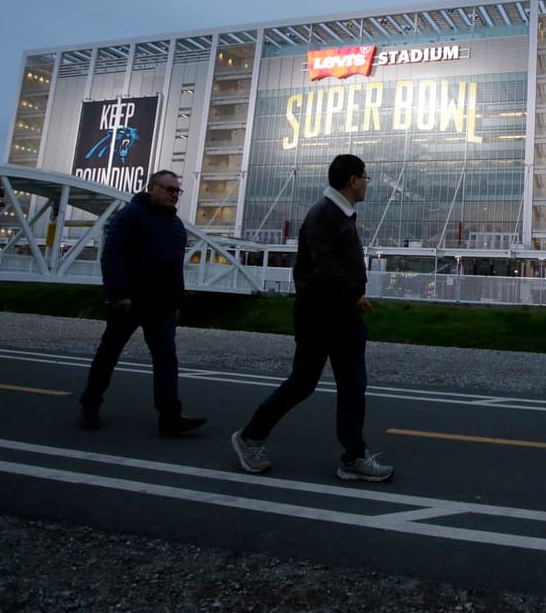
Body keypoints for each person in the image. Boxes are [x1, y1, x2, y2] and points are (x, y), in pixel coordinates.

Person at [231, 154, 394, 482]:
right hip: (320, 317)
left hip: (343, 318)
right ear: (352, 180)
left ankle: (353, 456)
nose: (367, 183)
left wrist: (351, 299)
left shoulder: (340, 213)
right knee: (301, 384)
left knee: (353, 387)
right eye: (366, 177)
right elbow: (323, 265)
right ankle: (250, 437)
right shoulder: (324, 214)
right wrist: (354, 294)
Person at [78, 169, 207, 437]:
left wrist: (176, 301)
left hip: (162, 305)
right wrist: (119, 294)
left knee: (166, 359)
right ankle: (89, 405)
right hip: (130, 301)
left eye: (177, 191)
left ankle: (170, 417)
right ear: (151, 187)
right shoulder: (129, 216)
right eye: (169, 189)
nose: (174, 194)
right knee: (109, 353)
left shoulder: (175, 224)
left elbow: (174, 268)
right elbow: (112, 257)